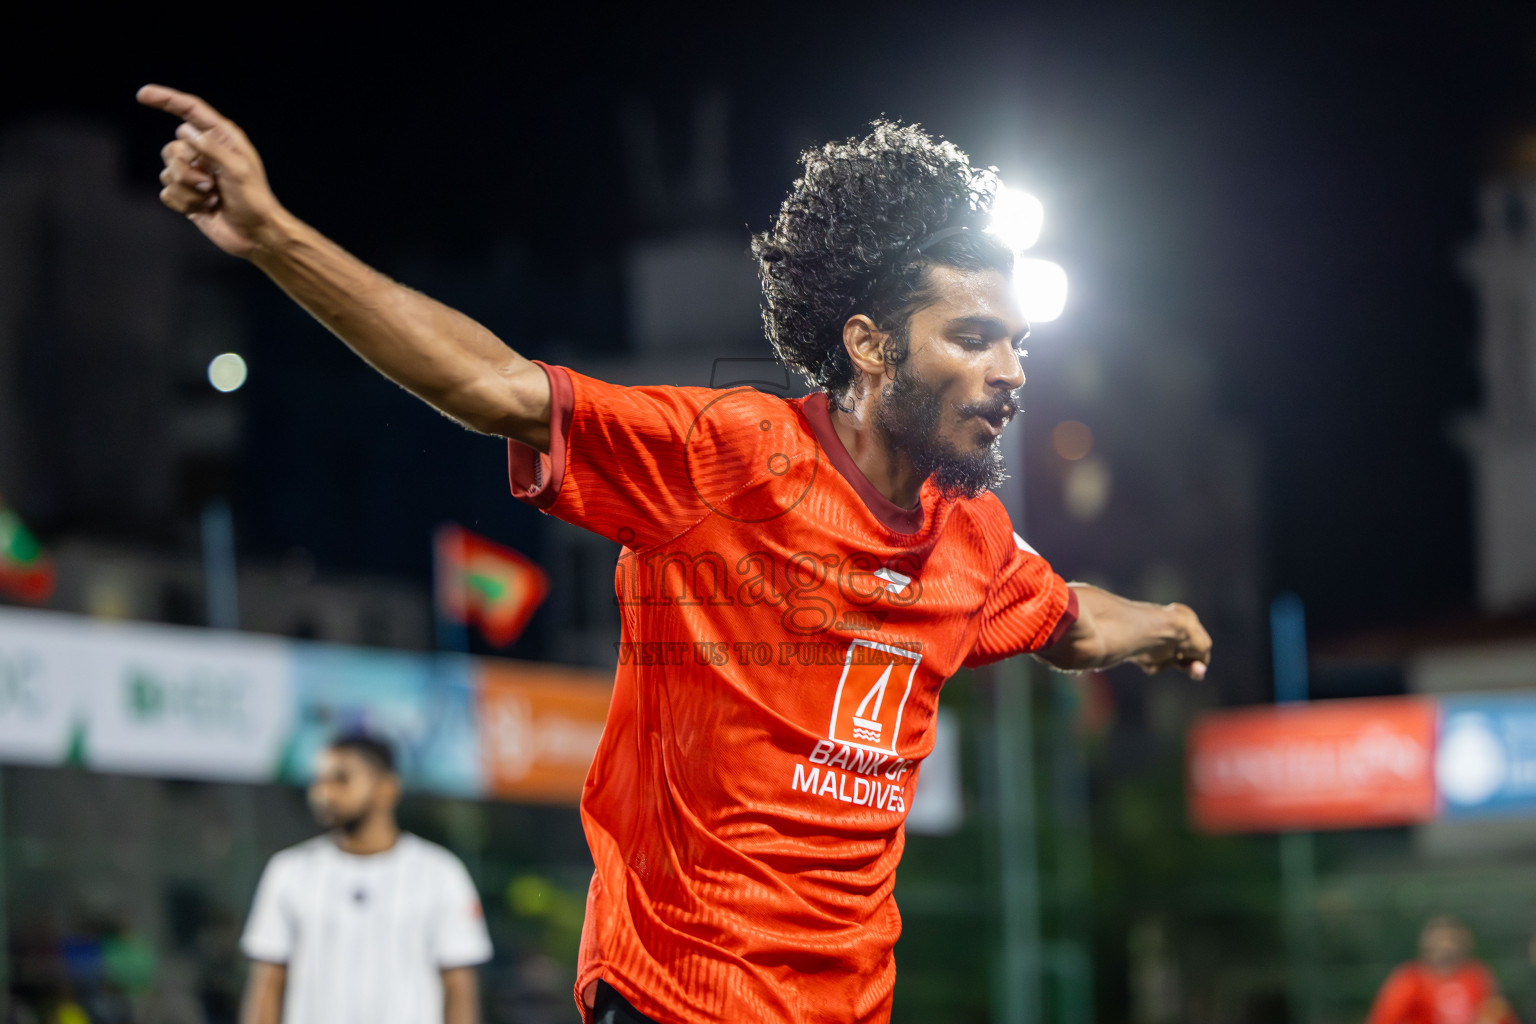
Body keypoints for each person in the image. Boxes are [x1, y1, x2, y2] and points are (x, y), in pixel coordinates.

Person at [138, 84, 1213, 1024]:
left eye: (1019, 341)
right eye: (974, 337)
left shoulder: (970, 538)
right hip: (677, 995)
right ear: (871, 346)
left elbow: (1066, 617)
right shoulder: (726, 459)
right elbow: (490, 386)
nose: (1011, 370)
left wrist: (1162, 628)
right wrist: (273, 233)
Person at [238, 733, 492, 1024]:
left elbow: (459, 989)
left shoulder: (441, 874)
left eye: (341, 779)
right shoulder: (289, 871)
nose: (324, 794)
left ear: (387, 788)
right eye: (319, 780)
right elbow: (267, 984)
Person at [1366, 916, 1517, 1024]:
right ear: (1426, 945)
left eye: (1451, 940)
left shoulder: (1478, 976)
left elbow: (1498, 1014)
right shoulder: (1409, 979)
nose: (1445, 946)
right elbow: (1384, 1018)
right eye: (1439, 940)